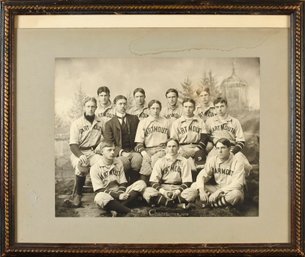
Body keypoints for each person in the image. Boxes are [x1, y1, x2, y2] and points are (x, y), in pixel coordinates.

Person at [65, 97, 104, 208]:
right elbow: (73, 144)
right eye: (88, 106)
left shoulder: (101, 122)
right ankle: (78, 194)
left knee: (103, 163)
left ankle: (101, 193)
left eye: (93, 106)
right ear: (84, 107)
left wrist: (101, 144)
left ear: (96, 107)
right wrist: (80, 155)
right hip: (79, 151)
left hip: (93, 152)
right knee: (81, 167)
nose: (90, 109)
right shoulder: (77, 123)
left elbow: (107, 138)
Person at [91, 142, 146, 216]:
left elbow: (123, 182)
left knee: (141, 183)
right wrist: (117, 196)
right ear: (102, 152)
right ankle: (129, 210)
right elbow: (99, 189)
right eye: (109, 150)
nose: (113, 152)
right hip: (107, 195)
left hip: (120, 192)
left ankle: (116, 208)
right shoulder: (95, 168)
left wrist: (120, 194)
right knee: (99, 197)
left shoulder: (118, 162)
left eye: (113, 150)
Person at [142, 138, 197, 208]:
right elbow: (153, 181)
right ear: (166, 148)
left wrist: (177, 192)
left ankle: (163, 202)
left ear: (178, 148)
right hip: (163, 187)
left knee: (193, 192)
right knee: (147, 191)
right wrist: (164, 192)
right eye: (169, 146)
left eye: (174, 146)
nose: (171, 149)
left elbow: (187, 182)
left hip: (178, 188)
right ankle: (177, 205)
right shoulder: (160, 161)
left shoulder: (184, 161)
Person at [205, 97, 252, 175]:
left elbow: (241, 141)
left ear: (226, 107)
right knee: (209, 167)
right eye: (217, 107)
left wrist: (232, 153)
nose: (219, 109)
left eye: (222, 106)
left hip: (232, 148)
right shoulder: (210, 121)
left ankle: (240, 185)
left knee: (244, 166)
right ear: (214, 108)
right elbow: (206, 135)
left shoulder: (235, 121)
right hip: (216, 149)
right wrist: (213, 139)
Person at [193, 138, 246, 208]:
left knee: (236, 194)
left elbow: (238, 184)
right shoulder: (213, 160)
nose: (220, 151)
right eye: (217, 148)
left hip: (230, 190)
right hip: (217, 188)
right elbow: (201, 176)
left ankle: (208, 204)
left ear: (229, 148)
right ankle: (221, 203)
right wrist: (202, 191)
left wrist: (219, 192)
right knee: (195, 185)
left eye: (223, 148)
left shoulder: (238, 162)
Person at [104, 95, 142, 184]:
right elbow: (110, 143)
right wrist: (122, 152)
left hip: (133, 150)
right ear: (114, 106)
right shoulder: (109, 123)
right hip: (119, 153)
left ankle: (134, 186)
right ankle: (123, 186)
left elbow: (139, 136)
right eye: (120, 104)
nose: (122, 106)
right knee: (123, 163)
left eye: (124, 104)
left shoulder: (134, 119)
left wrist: (137, 149)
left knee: (138, 160)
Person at [170, 98, 209, 173]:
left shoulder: (200, 121)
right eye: (186, 107)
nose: (188, 109)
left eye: (190, 107)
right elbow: (173, 140)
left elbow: (204, 138)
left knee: (200, 158)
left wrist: (195, 150)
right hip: (181, 147)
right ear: (182, 108)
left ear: (194, 108)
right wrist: (181, 150)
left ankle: (199, 179)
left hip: (196, 147)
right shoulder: (176, 122)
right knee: (185, 166)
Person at [134, 100, 170, 182]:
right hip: (148, 149)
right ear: (149, 109)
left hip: (162, 149)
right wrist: (144, 153)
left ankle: (157, 185)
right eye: (153, 108)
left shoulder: (166, 122)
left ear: (160, 109)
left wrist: (167, 149)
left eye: (157, 108)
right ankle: (143, 186)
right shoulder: (143, 122)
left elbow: (171, 139)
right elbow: (139, 142)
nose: (155, 111)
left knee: (155, 160)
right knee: (145, 165)